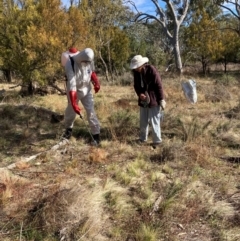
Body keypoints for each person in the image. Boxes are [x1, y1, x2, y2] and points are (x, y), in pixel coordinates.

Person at [62, 47, 101, 144]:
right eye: (86, 62)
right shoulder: (70, 64)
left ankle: (96, 135)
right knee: (71, 111)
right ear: (81, 59)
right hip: (74, 90)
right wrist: (74, 103)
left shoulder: (89, 61)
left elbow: (91, 72)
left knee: (91, 110)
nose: (87, 64)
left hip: (86, 89)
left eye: (89, 62)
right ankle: (68, 130)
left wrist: (96, 82)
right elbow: (72, 84)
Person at [130, 55, 166, 147]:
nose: (135, 69)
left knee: (154, 120)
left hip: (153, 99)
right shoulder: (136, 73)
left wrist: (161, 99)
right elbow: (136, 86)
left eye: (136, 66)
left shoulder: (151, 70)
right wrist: (140, 94)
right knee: (143, 120)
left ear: (141, 65)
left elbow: (159, 85)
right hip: (143, 100)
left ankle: (157, 141)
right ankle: (142, 139)